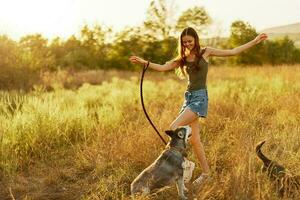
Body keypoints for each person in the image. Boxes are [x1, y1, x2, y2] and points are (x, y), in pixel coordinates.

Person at [129, 27, 267, 187]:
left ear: (196, 39)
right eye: (184, 42)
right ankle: (206, 174)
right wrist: (144, 62)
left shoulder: (206, 52)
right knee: (194, 140)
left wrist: (255, 41)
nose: (187, 44)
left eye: (190, 41)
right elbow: (162, 67)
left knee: (174, 128)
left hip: (200, 99)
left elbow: (233, 51)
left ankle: (184, 165)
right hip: (188, 98)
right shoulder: (182, 58)